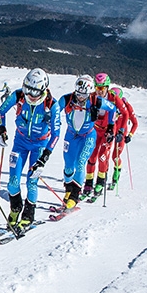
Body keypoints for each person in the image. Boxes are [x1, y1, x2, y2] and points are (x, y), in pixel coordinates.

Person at [0, 68, 60, 229]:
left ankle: (28, 215)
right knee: (12, 182)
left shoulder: (52, 104)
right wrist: (2, 130)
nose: (30, 95)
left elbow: (56, 134)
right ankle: (15, 208)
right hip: (20, 142)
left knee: (32, 181)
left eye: (35, 91)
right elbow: (0, 112)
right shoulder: (18, 95)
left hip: (40, 145)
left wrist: (44, 158)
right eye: (28, 89)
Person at [53, 75, 116, 210]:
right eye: (79, 94)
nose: (81, 97)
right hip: (71, 136)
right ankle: (68, 190)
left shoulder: (96, 100)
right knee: (69, 165)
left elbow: (112, 108)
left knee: (81, 162)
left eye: (84, 94)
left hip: (88, 136)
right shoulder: (67, 99)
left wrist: (111, 126)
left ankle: (75, 196)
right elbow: (55, 110)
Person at [86, 74, 129, 195]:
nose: (99, 91)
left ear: (107, 87)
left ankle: (100, 182)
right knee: (91, 156)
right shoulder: (92, 97)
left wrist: (121, 131)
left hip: (108, 131)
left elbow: (125, 114)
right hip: (95, 130)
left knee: (102, 157)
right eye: (97, 88)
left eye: (102, 88)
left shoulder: (114, 98)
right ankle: (88, 183)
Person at [106, 85, 137, 190]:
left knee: (115, 157)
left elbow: (135, 123)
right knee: (104, 155)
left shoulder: (127, 107)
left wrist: (130, 135)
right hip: (110, 131)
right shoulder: (108, 104)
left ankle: (115, 178)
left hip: (121, 133)